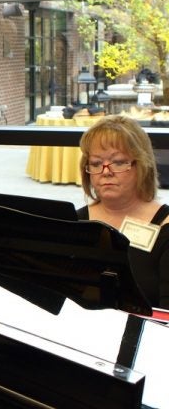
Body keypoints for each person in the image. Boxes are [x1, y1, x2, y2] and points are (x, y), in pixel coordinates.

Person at [77, 115, 169, 309]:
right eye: (95, 163)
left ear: (142, 166)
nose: (106, 171)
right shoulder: (76, 222)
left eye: (118, 162)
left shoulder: (165, 227)